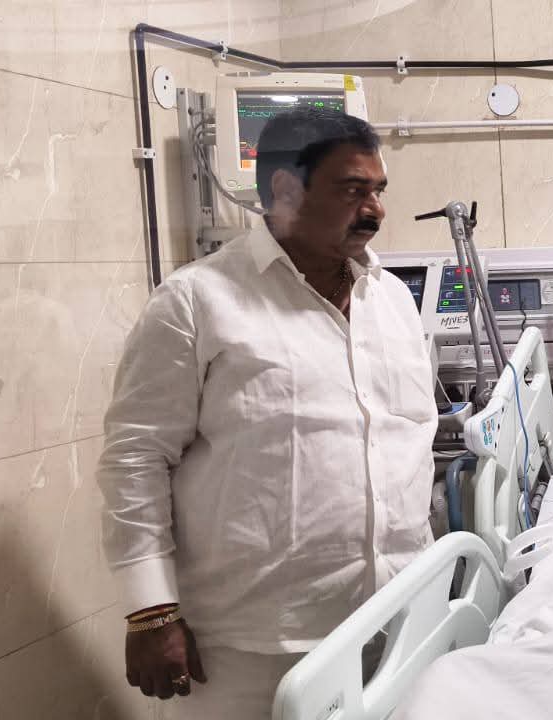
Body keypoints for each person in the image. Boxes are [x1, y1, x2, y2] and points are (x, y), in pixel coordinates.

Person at [97, 108, 438, 718]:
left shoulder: (392, 300)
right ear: (285, 190)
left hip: (396, 617)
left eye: (378, 190)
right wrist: (151, 609)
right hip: (255, 644)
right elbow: (136, 457)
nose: (375, 209)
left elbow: (404, 439)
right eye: (353, 190)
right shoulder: (198, 302)